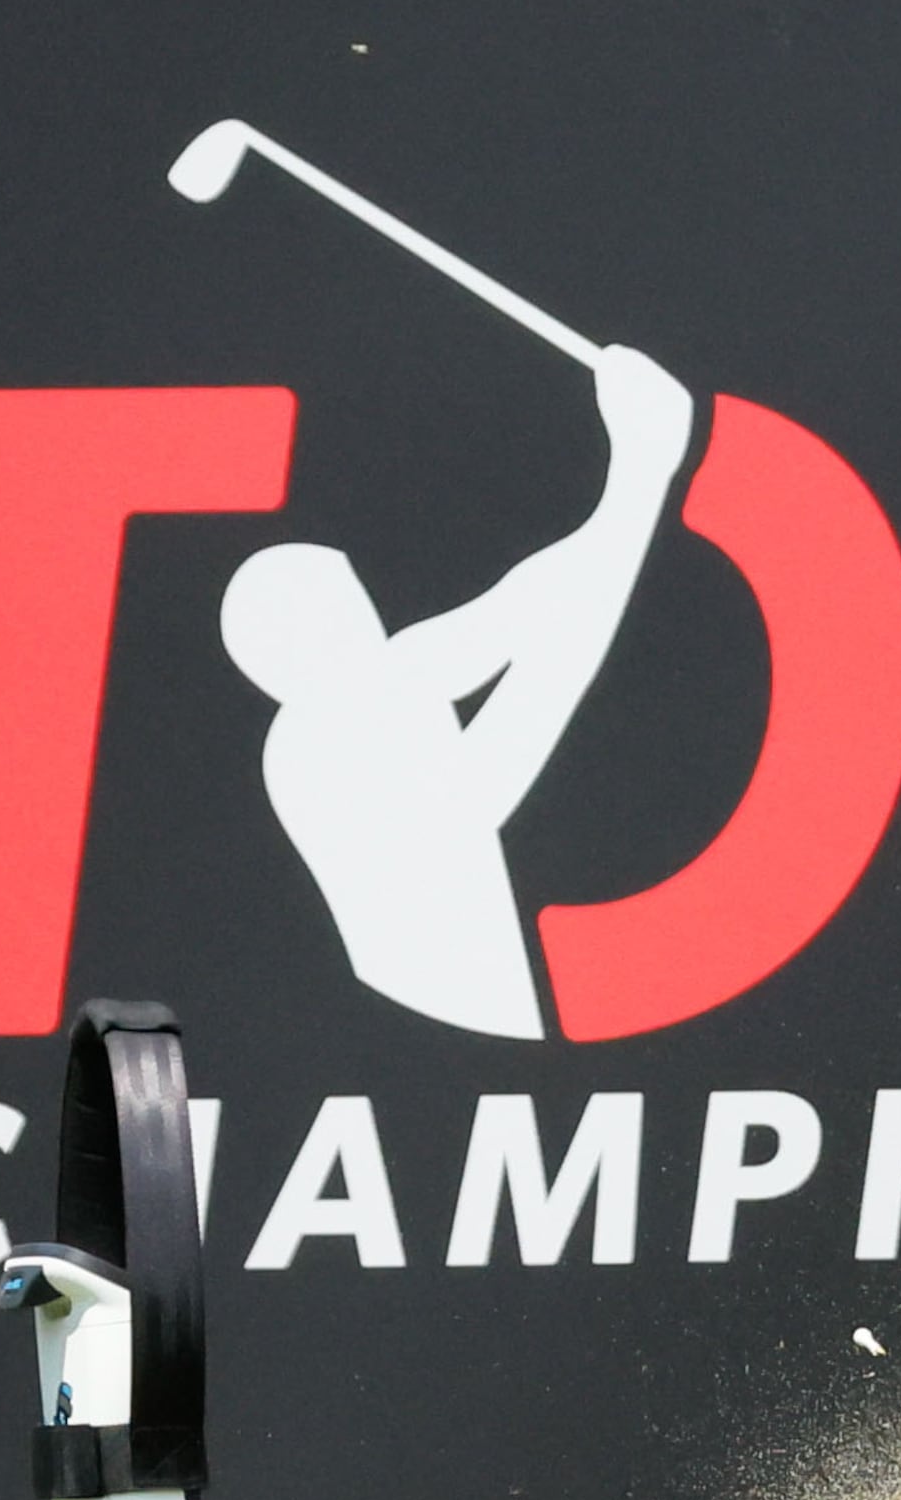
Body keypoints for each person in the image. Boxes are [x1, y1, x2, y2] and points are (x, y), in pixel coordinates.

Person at [220, 344, 694, 1040]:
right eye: (339, 602)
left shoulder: (386, 676)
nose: (365, 608)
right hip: (428, 1032)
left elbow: (533, 597)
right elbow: (493, 771)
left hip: (490, 1014)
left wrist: (640, 461)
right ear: (297, 644)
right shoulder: (313, 745)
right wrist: (644, 471)